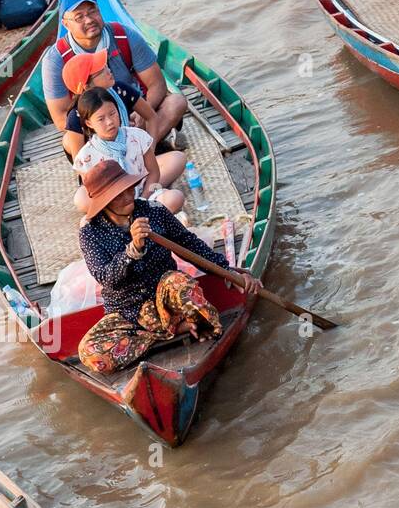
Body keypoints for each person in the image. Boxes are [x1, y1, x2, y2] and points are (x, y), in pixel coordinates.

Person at [75, 160, 262, 373]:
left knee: (179, 283)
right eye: (118, 195)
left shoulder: (153, 210)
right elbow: (106, 278)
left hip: (167, 298)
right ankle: (169, 332)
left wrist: (226, 270)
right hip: (128, 313)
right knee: (89, 352)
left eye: (129, 189)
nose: (128, 197)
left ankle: (177, 326)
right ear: (104, 202)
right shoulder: (90, 233)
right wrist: (132, 250)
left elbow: (188, 243)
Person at [41, 0, 187, 148]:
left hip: (134, 112)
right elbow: (61, 118)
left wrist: (141, 112)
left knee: (176, 103)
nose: (89, 20)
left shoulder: (124, 35)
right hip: (97, 126)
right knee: (69, 140)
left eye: (92, 12)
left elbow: (157, 84)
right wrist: (104, 128)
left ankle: (142, 151)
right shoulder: (55, 60)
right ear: (66, 24)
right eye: (79, 17)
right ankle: (127, 151)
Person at [71, 86, 185, 217]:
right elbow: (95, 194)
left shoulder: (137, 136)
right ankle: (145, 222)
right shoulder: (86, 156)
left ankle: (142, 221)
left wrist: (143, 199)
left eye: (112, 113)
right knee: (81, 202)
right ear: (89, 123)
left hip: (145, 195)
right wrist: (117, 211)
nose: (109, 122)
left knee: (175, 197)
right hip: (113, 209)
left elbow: (154, 172)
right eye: (101, 119)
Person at [60, 49, 162, 162]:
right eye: (101, 71)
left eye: (106, 66)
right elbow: (80, 164)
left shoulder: (120, 90)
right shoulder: (76, 116)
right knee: (67, 140)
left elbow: (151, 117)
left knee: (177, 159)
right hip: (103, 170)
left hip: (133, 157)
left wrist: (150, 153)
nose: (109, 71)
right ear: (86, 87)